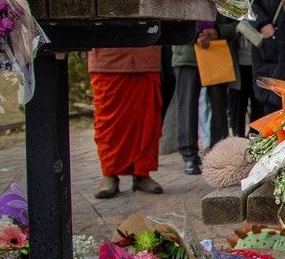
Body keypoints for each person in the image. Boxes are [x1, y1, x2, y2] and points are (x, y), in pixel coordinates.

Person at [88, 46, 164, 197]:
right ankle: (109, 174)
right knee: (108, 123)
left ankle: (142, 174)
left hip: (145, 55)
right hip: (108, 59)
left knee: (145, 122)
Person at [171, 22, 231, 174]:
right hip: (186, 55)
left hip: (216, 51)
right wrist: (195, 35)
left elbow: (234, 21)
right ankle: (189, 156)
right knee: (187, 107)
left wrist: (217, 31)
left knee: (219, 108)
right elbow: (173, 21)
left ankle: (219, 153)